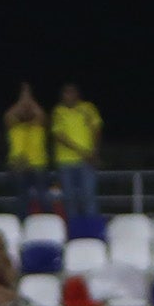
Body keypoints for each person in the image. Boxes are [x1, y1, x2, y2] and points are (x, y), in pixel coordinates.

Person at [50, 83, 102, 219]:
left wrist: (94, 152)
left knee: (89, 196)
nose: (69, 96)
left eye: (72, 93)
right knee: (69, 198)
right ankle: (73, 230)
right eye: (66, 93)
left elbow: (96, 128)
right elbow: (59, 135)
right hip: (66, 162)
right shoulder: (58, 111)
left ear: (77, 94)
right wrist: (82, 152)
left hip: (87, 161)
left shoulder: (88, 108)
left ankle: (90, 229)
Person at [4, 86, 50, 213]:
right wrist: (22, 100)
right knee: (21, 200)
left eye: (28, 106)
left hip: (38, 166)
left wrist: (29, 98)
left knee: (43, 199)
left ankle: (46, 221)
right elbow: (9, 115)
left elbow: (41, 114)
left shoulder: (38, 126)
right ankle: (23, 225)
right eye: (23, 107)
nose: (26, 108)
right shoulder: (14, 126)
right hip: (18, 167)